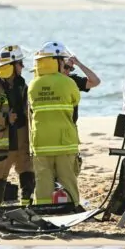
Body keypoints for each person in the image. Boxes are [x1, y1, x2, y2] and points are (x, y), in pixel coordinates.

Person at [27, 41, 82, 207]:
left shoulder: (33, 84)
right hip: (64, 142)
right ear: (56, 61)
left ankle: (43, 209)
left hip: (41, 142)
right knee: (68, 180)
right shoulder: (68, 82)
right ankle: (71, 208)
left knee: (42, 182)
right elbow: (75, 100)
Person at [0, 45, 34, 205]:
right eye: (20, 63)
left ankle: (26, 204)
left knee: (27, 170)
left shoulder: (23, 85)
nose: (23, 66)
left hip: (22, 137)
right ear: (11, 66)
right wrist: (4, 118)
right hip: (2, 140)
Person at [62, 54, 101, 126]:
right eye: (66, 67)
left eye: (71, 69)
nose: (68, 71)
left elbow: (96, 81)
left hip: (70, 125)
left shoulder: (73, 80)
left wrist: (79, 64)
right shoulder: (47, 80)